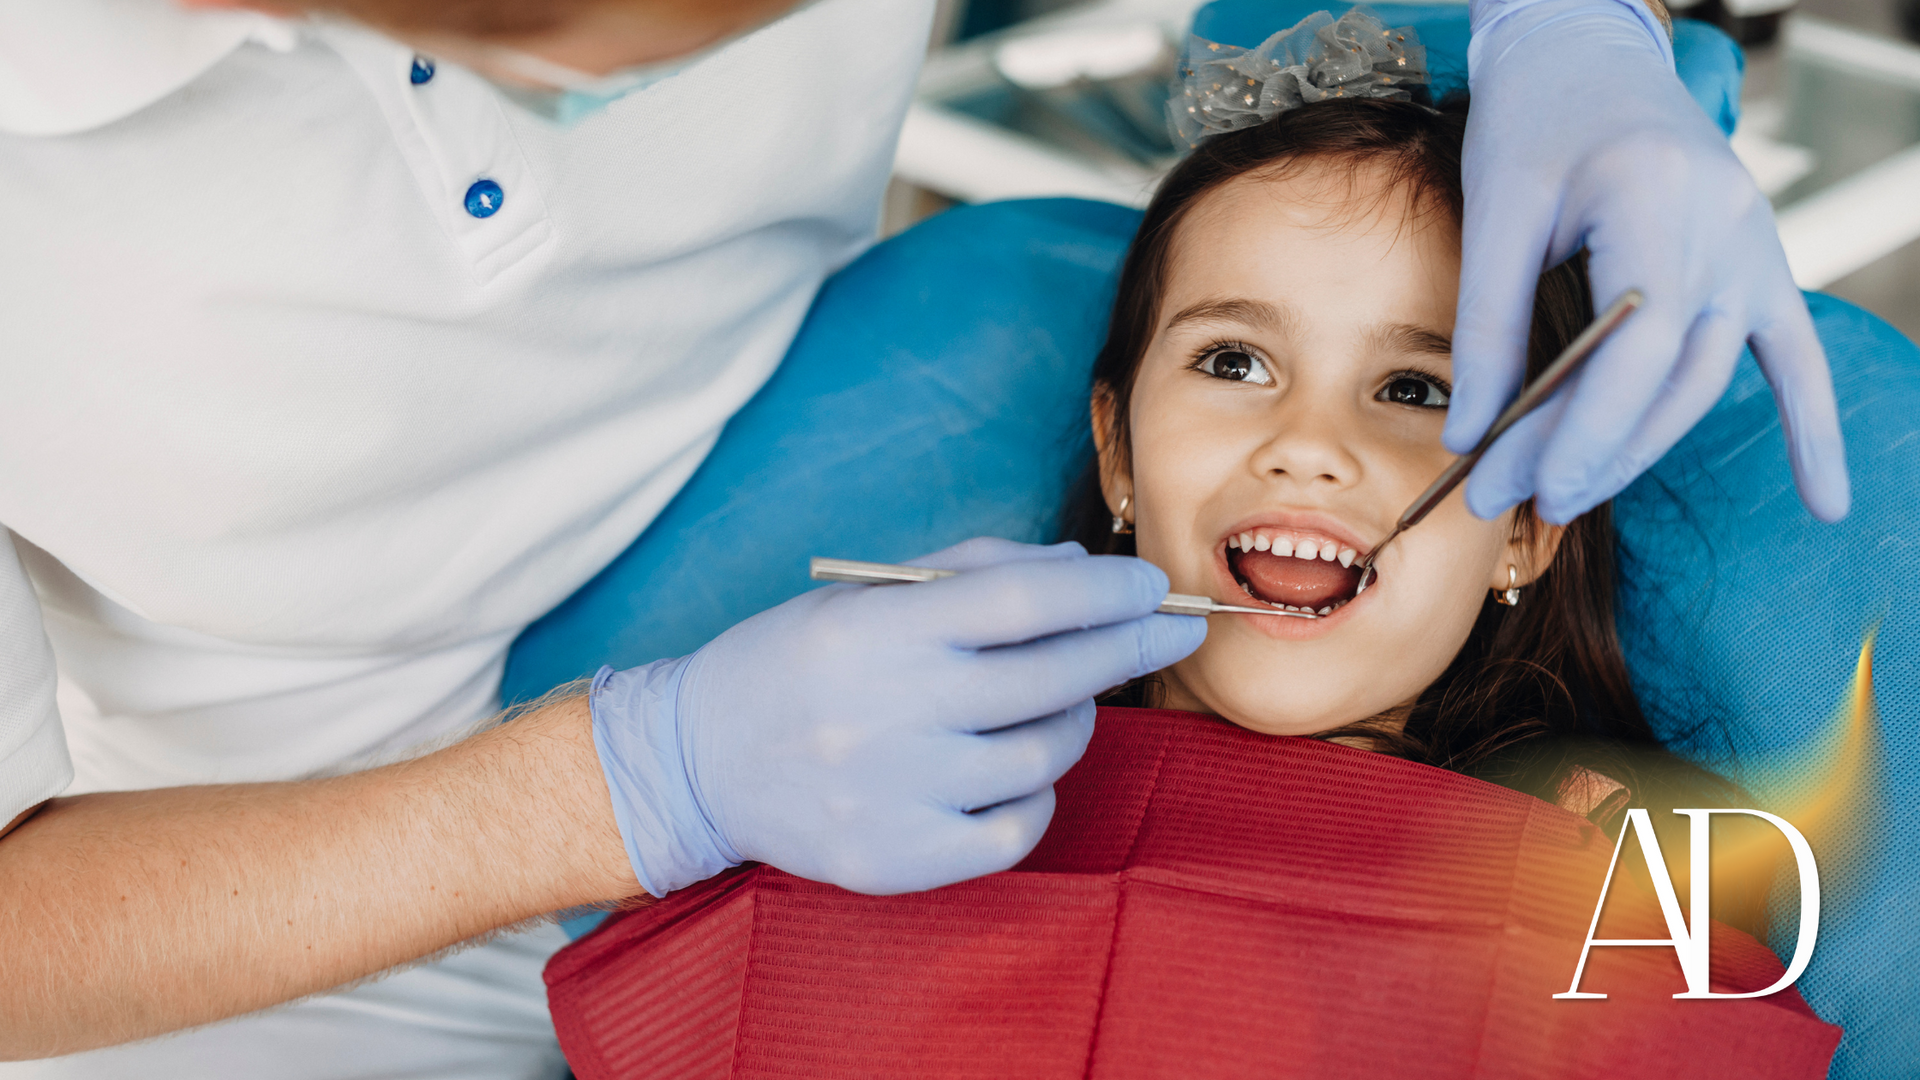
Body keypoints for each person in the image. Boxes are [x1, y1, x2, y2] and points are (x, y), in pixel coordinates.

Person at [0, 0, 1842, 1075]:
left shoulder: (1633, 909)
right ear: (1113, 454)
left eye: (1422, 394)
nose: (1309, 443)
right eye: (1234, 361)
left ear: (1533, 522)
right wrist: (630, 792)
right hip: (262, 936)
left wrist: (1560, 16)